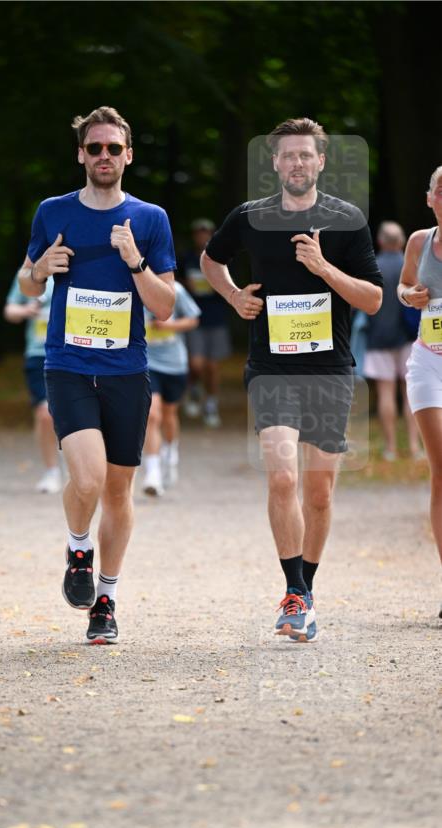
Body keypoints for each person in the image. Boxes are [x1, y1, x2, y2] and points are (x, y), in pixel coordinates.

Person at [201, 117, 383, 642]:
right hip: (271, 367)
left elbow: (372, 298)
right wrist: (235, 296)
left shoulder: (346, 220)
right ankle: (294, 593)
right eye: (288, 156)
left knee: (319, 492)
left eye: (307, 155)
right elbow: (211, 261)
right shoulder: (252, 217)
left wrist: (325, 268)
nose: (297, 163)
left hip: (330, 369)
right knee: (282, 479)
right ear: (275, 163)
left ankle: (308, 587)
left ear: (321, 162)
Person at [18, 106, 176, 644]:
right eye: (94, 148)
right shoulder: (53, 211)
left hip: (126, 370)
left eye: (113, 148)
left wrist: (135, 262)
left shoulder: (150, 219)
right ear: (80, 155)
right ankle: (77, 548)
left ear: (128, 155)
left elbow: (165, 308)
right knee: (86, 479)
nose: (103, 156)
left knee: (118, 490)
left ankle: (105, 599)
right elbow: (28, 284)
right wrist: (39, 270)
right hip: (67, 363)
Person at [399, 165, 442, 617]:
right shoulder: (418, 241)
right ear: (430, 197)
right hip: (429, 360)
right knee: (441, 471)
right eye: (441, 190)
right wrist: (408, 294)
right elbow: (402, 284)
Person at [363, 221, 421, 460]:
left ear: (380, 241)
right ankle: (415, 447)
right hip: (409, 337)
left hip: (378, 338)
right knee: (411, 394)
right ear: (402, 242)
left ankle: (390, 448)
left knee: (385, 393)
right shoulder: (412, 266)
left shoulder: (371, 266)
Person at [4, 272, 62, 493]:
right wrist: (26, 311)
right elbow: (10, 310)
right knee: (45, 414)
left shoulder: (81, 268)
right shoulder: (30, 273)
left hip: (72, 355)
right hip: (39, 355)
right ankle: (51, 471)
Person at [142, 280, 200, 496]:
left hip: (174, 364)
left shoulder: (175, 289)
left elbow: (193, 319)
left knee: (168, 415)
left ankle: (170, 452)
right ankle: (153, 472)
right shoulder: (133, 287)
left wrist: (169, 326)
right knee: (152, 415)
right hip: (146, 362)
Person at [181, 219, 231, 427]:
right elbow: (173, 284)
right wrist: (187, 284)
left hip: (217, 319)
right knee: (196, 364)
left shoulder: (222, 258)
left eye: (206, 233)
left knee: (212, 366)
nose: (203, 236)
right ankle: (193, 390)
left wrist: (217, 284)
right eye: (199, 233)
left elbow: (233, 286)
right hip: (194, 319)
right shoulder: (186, 259)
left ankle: (211, 403)